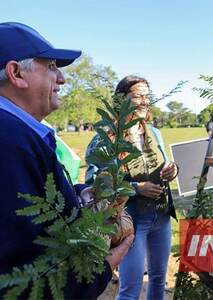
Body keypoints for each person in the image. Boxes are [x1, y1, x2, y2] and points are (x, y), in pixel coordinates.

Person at [0, 22, 133, 298]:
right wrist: (101, 271)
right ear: (16, 73)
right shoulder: (10, 142)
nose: (61, 78)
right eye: (50, 66)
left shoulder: (20, 134)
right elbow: (21, 273)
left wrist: (81, 193)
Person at [85, 75, 178, 299]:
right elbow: (95, 182)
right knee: (130, 288)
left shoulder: (154, 133)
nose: (145, 101)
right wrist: (136, 188)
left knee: (158, 278)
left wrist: (172, 170)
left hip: (161, 216)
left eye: (147, 96)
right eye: (138, 96)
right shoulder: (107, 137)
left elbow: (163, 164)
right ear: (121, 101)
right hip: (131, 222)